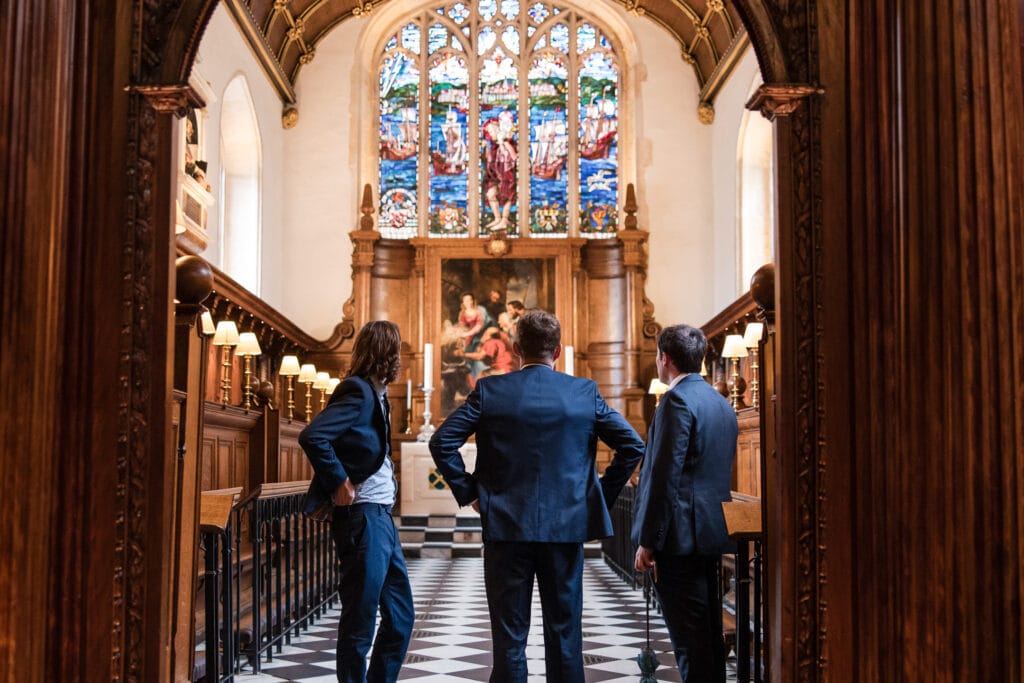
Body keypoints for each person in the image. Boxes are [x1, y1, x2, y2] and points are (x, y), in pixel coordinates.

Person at [429, 310, 645, 682]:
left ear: (515, 349)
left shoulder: (491, 390)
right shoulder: (583, 392)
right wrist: (595, 496)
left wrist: (471, 492)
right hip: (566, 529)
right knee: (565, 635)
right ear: (558, 351)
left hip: (506, 526)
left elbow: (441, 441)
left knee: (510, 638)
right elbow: (632, 446)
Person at [299, 321, 413, 683]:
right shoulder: (358, 391)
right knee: (360, 621)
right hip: (363, 519)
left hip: (381, 519)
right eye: (397, 351)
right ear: (385, 353)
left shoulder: (377, 395)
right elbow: (313, 436)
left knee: (400, 617)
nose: (401, 359)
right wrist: (339, 480)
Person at [632, 324, 738, 683]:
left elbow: (663, 479)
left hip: (679, 538)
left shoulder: (675, 401)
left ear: (664, 359)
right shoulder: (719, 402)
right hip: (712, 531)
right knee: (708, 635)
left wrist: (649, 540)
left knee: (690, 642)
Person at [482, 113, 517, 231]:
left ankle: (504, 219)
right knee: (490, 194)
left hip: (507, 174)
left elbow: (513, 156)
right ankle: (497, 218)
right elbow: (489, 160)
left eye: (493, 131)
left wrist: (504, 143)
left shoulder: (508, 142)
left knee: (508, 196)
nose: (491, 134)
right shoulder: (492, 145)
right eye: (489, 132)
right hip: (494, 175)